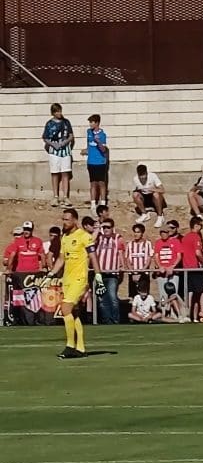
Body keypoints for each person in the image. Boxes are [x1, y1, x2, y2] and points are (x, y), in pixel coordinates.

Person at [43, 208, 104, 360]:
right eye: (63, 219)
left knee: (65, 308)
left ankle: (70, 346)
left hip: (79, 279)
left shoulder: (84, 236)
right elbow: (61, 259)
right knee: (73, 314)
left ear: (75, 221)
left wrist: (98, 275)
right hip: (67, 279)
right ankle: (80, 348)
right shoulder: (64, 237)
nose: (64, 222)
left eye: (67, 219)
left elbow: (93, 256)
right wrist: (50, 274)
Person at [42, 102, 74, 208]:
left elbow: (71, 136)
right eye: (57, 111)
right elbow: (45, 137)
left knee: (65, 174)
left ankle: (66, 196)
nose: (59, 113)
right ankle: (55, 196)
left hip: (65, 151)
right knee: (55, 173)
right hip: (54, 152)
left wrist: (65, 143)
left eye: (60, 111)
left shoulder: (66, 122)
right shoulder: (49, 124)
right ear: (53, 113)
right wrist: (53, 144)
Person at [93, 217, 125, 325]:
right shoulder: (99, 238)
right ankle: (106, 321)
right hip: (100, 273)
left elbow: (121, 253)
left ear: (112, 228)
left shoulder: (117, 238)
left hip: (112, 273)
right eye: (104, 227)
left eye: (108, 227)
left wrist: (122, 266)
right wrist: (98, 229)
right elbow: (90, 242)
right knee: (101, 299)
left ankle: (115, 320)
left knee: (112, 297)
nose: (106, 229)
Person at [79, 113, 109, 215]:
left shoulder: (102, 135)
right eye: (90, 122)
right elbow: (88, 144)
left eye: (92, 122)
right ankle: (93, 204)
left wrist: (98, 142)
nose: (90, 124)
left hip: (100, 162)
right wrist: (86, 151)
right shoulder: (89, 132)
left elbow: (104, 149)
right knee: (92, 183)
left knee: (101, 183)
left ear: (97, 123)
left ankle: (103, 204)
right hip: (91, 162)